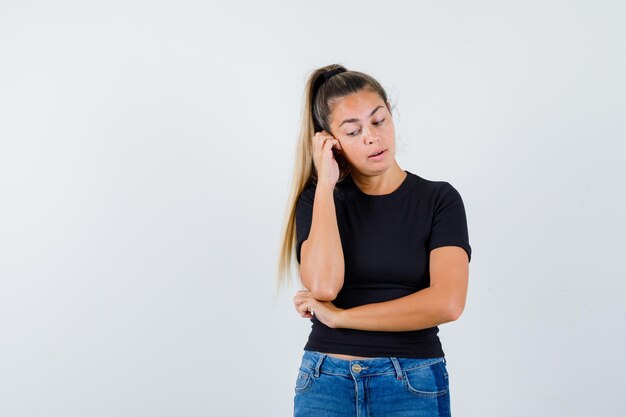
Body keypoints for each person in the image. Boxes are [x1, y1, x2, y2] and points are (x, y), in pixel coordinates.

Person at [277, 64, 472, 417]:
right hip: (325, 380)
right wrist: (324, 184)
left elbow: (448, 303)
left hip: (411, 382)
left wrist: (342, 319)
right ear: (330, 141)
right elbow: (322, 288)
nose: (371, 137)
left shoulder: (439, 199)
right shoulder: (318, 201)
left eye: (378, 121)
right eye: (353, 131)